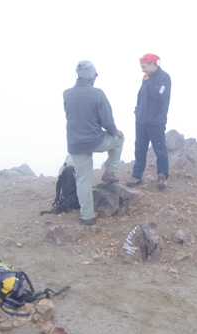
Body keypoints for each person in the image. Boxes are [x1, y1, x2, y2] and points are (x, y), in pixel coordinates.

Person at [63, 60, 124, 225]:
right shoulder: (97, 93)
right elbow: (107, 121)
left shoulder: (66, 94)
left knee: (83, 179)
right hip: (95, 140)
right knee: (119, 139)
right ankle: (110, 171)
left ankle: (87, 215)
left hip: (75, 144)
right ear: (92, 77)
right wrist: (115, 132)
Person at [127, 53, 172, 189]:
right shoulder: (147, 79)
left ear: (153, 64)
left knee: (160, 149)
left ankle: (162, 175)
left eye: (144, 66)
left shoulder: (164, 78)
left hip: (156, 121)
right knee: (139, 149)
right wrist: (137, 112)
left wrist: (147, 83)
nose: (142, 70)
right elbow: (140, 97)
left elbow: (159, 94)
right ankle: (137, 175)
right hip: (141, 121)